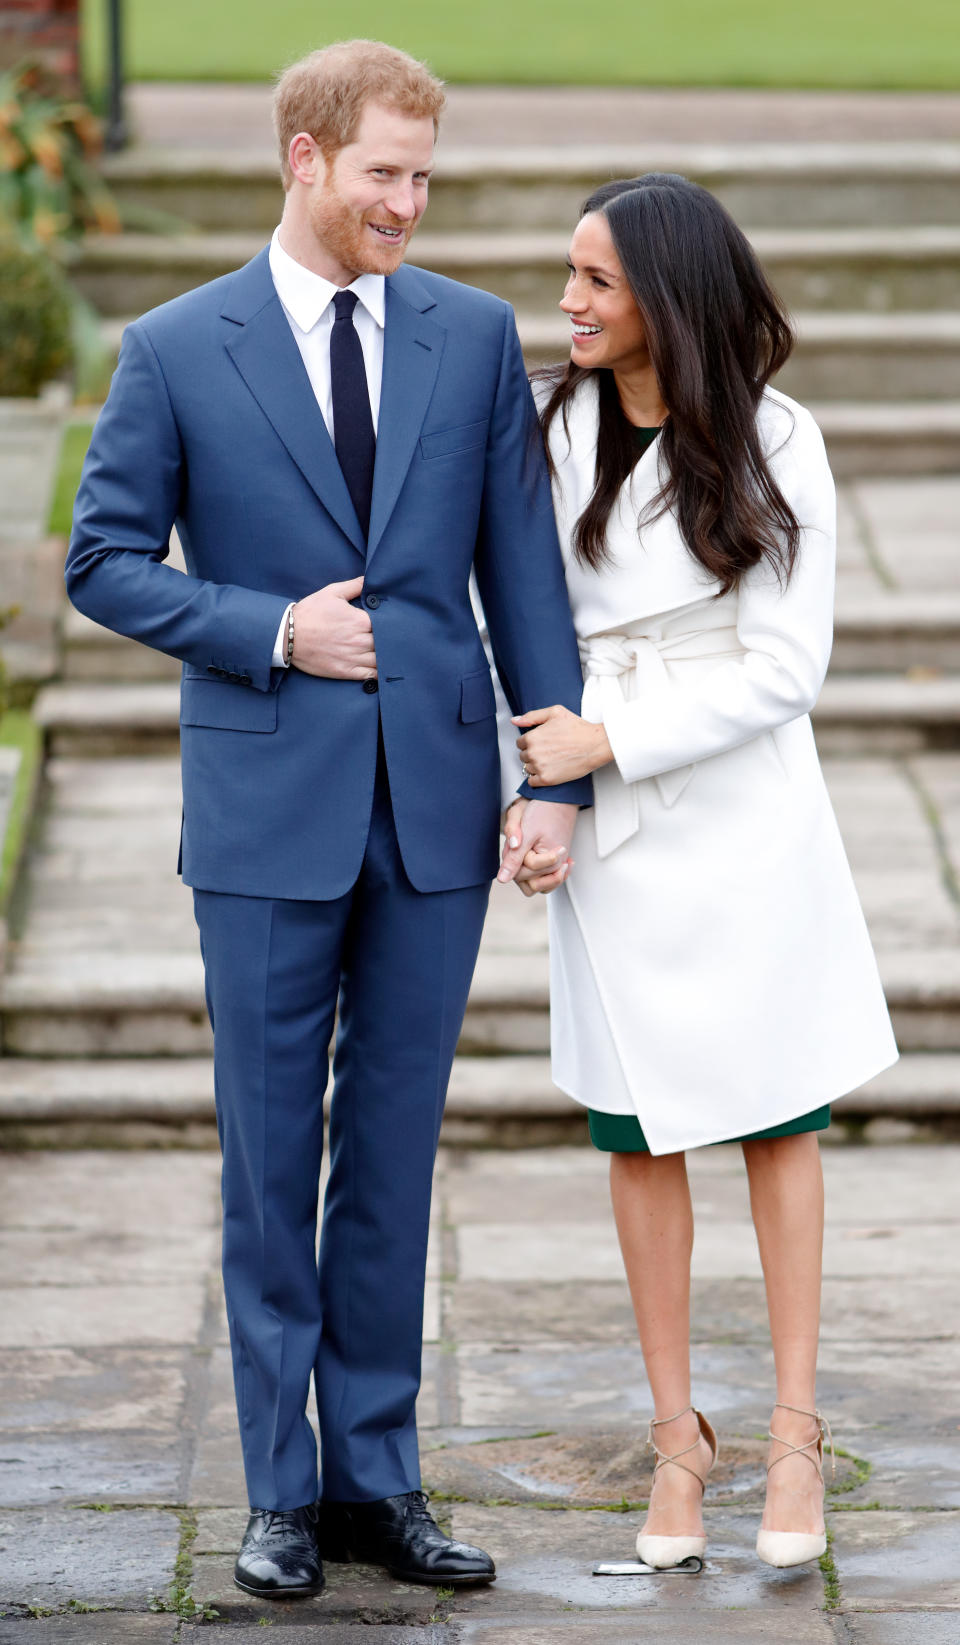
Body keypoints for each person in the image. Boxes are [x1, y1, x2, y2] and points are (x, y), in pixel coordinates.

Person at [66, 39, 591, 1600]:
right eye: (385, 175)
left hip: (435, 807)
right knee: (267, 1151)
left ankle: (380, 1478)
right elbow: (103, 560)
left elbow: (524, 574)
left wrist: (551, 773)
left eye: (425, 177)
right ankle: (279, 1491)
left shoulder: (473, 337)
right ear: (304, 160)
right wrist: (270, 628)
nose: (410, 205)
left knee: (393, 1151)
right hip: (266, 804)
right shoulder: (175, 347)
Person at [498, 174, 898, 1571]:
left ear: (667, 294)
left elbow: (788, 667)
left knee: (779, 1122)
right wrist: (547, 783)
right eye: (569, 275)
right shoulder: (556, 432)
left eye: (596, 280)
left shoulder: (779, 437)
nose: (569, 303)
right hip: (614, 829)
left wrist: (620, 734)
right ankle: (679, 1437)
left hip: (747, 822)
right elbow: (528, 630)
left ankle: (794, 1430)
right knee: (638, 1129)